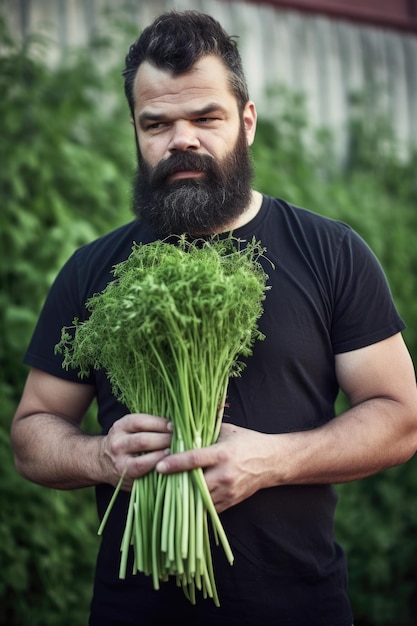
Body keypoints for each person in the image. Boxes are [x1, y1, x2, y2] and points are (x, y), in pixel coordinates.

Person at [11, 10, 417, 626]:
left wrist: (272, 461)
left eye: (206, 117)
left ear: (246, 122)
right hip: (132, 612)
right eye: (158, 123)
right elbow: (31, 433)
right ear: (136, 132)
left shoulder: (330, 252)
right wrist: (101, 457)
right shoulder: (94, 270)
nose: (183, 140)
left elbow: (401, 420)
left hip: (298, 608)